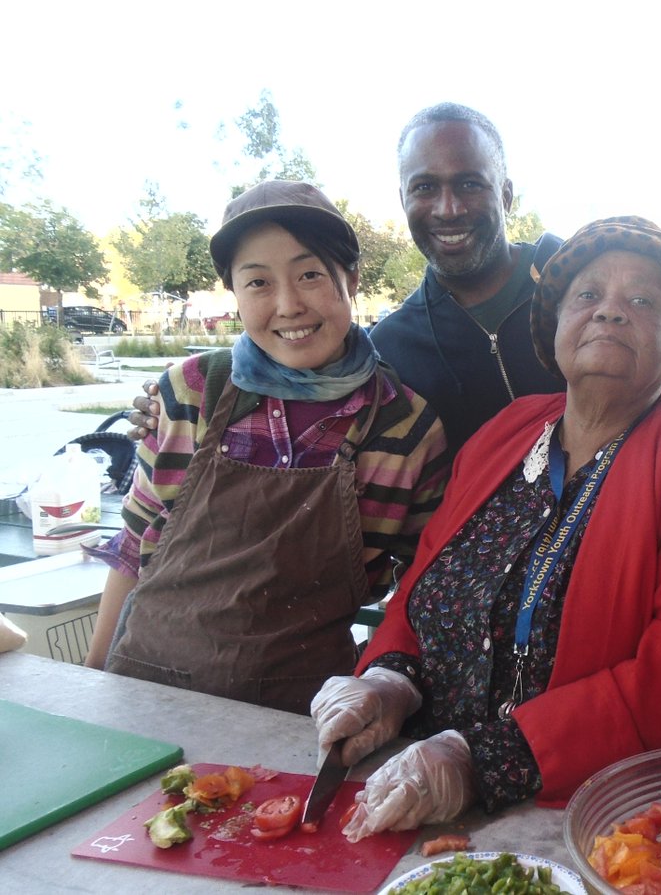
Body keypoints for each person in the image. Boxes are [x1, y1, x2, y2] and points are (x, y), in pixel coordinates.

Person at [310, 216, 661, 840]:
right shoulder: (508, 431)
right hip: (414, 793)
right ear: (555, 329)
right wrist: (389, 680)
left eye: (642, 301)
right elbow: (423, 587)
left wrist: (481, 760)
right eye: (588, 296)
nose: (610, 313)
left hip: (600, 822)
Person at [126, 103, 661, 454]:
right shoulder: (392, 348)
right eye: (426, 187)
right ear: (402, 197)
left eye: (469, 183)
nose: (448, 208)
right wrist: (181, 404)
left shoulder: (587, 281)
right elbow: (292, 376)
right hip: (488, 598)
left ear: (506, 191)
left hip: (647, 549)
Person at [84, 180, 450, 715]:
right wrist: (94, 680)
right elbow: (136, 541)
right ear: (233, 293)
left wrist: (382, 695)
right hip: (146, 692)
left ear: (350, 278)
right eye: (257, 282)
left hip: (301, 715)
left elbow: (422, 592)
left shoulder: (407, 428)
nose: (288, 305)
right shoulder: (188, 393)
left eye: (310, 275)